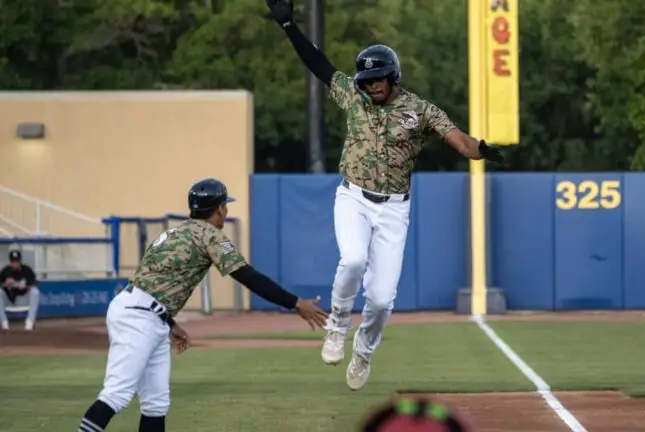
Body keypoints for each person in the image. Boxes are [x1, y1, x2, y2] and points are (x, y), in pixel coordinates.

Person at [264, 0, 506, 391]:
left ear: (393, 77)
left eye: (379, 79)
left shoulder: (418, 109)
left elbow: (457, 139)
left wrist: (480, 150)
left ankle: (363, 351)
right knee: (353, 259)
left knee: (380, 299)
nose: (372, 85)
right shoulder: (352, 97)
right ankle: (337, 326)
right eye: (366, 80)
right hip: (353, 197)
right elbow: (318, 63)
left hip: (394, 209)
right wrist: (290, 24)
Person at [77, 178, 328, 432]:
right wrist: (295, 303)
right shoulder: (210, 236)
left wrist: (169, 321)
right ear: (219, 208)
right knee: (116, 395)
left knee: (156, 404)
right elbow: (247, 276)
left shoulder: (173, 232)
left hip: (145, 311)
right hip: (139, 316)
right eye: (224, 205)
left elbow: (152, 280)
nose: (226, 211)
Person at [0, 250, 41, 331]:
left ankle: (29, 322)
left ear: (20, 261)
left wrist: (26, 286)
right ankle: (4, 322)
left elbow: (34, 283)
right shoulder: (5, 271)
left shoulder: (27, 270)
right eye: (13, 262)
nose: (15, 264)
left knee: (35, 292)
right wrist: (5, 284)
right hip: (9, 299)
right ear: (10, 262)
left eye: (16, 262)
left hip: (23, 298)